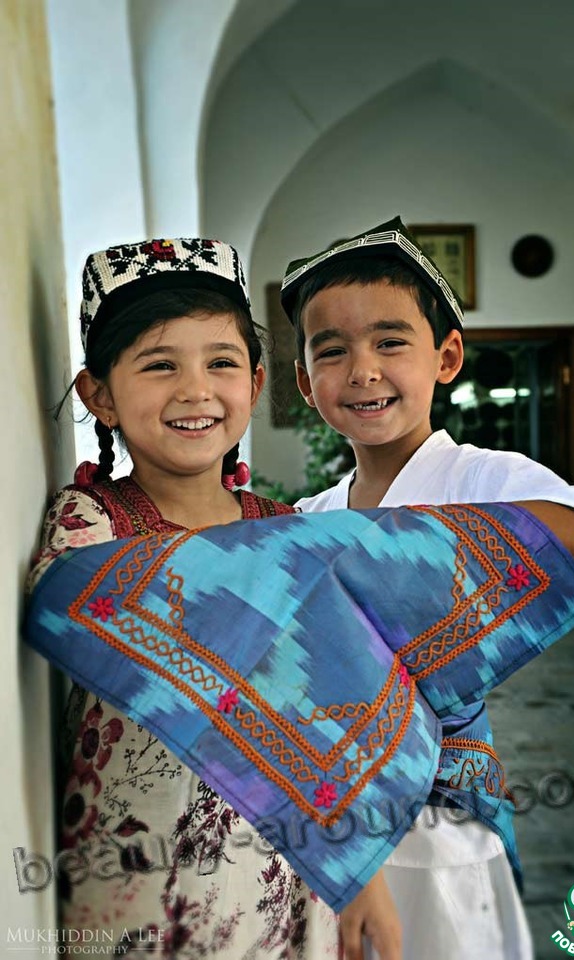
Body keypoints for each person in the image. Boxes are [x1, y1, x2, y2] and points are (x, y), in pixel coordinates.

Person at [280, 216, 574, 960]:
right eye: (331, 351)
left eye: (390, 342)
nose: (362, 370)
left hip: (443, 810)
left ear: (447, 357)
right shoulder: (311, 517)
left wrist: (398, 548)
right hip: (335, 807)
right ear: (305, 382)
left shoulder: (482, 476)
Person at [28, 237, 353, 958]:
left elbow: (338, 708)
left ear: (256, 382)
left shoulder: (288, 530)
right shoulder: (90, 525)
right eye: (159, 364)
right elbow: (85, 618)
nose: (195, 390)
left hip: (282, 873)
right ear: (99, 395)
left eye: (221, 363)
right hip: (138, 880)